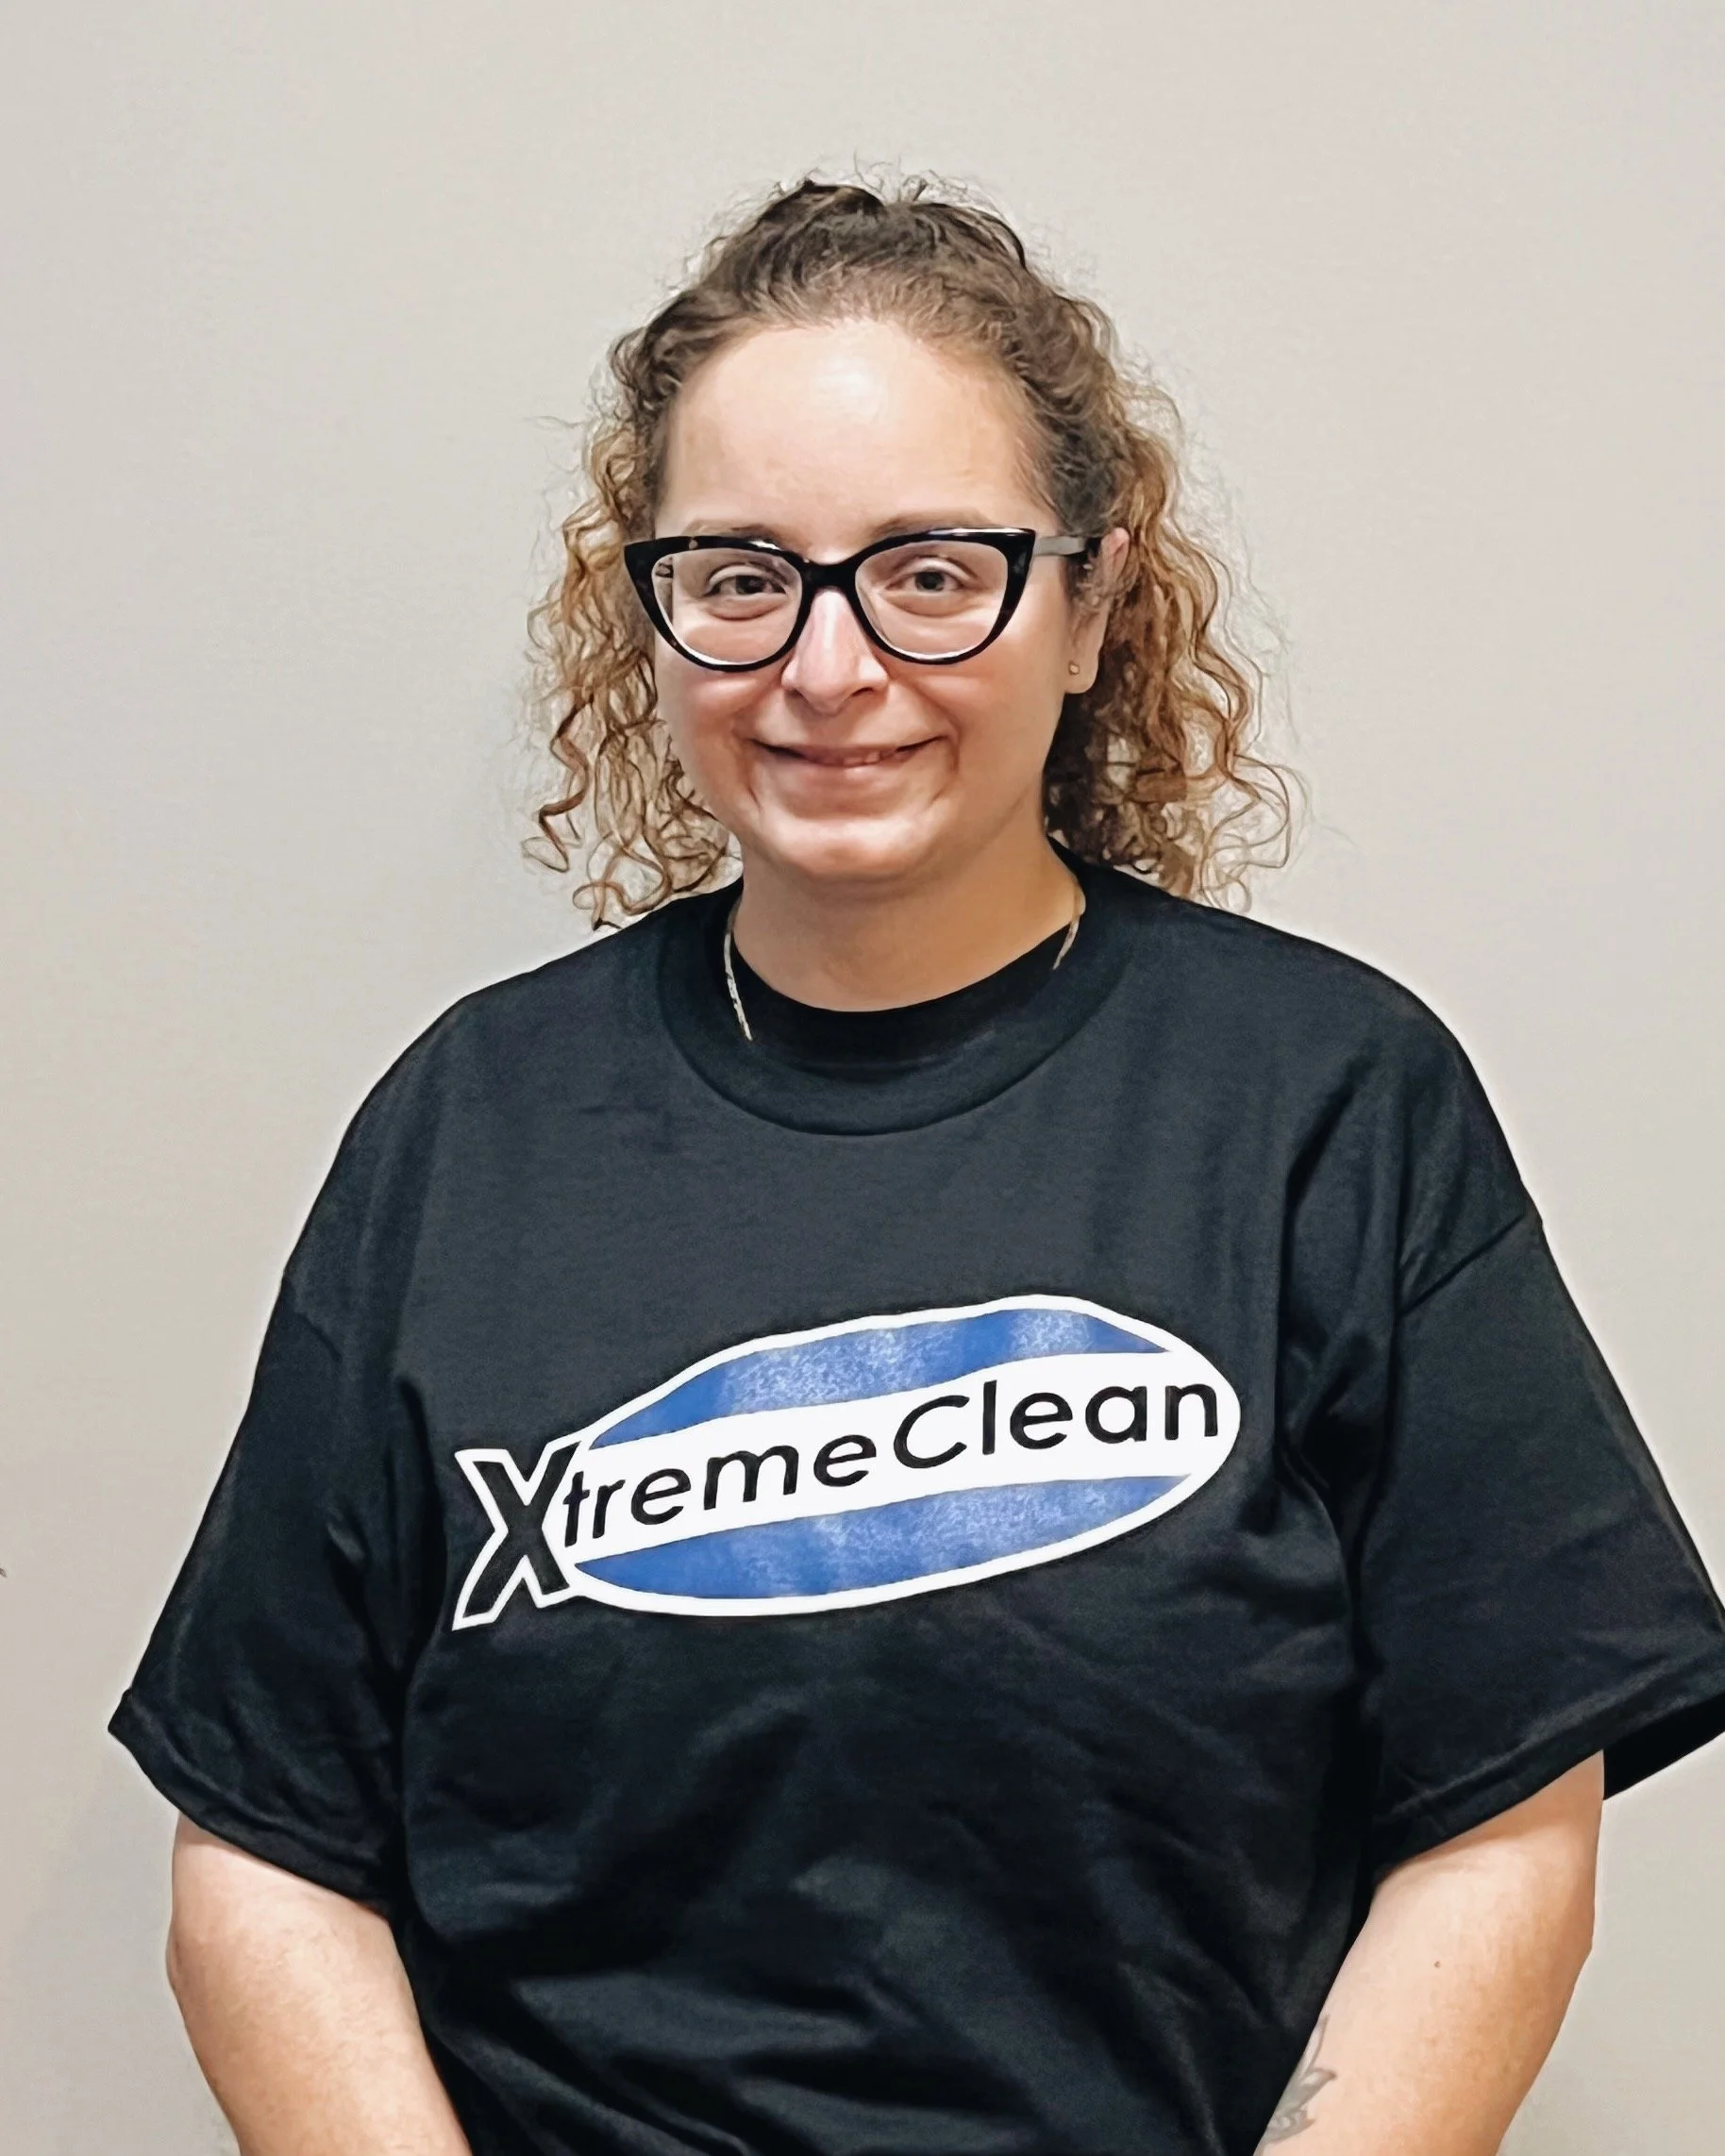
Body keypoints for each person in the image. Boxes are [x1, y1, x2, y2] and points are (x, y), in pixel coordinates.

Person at [113, 177, 1725, 2156]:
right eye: (737, 574)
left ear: (1090, 597)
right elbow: (262, 1848)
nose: (827, 664)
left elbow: (1497, 1820)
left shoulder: (1319, 1099)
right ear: (651, 607)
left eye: (929, 571)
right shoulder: (469, 1127)